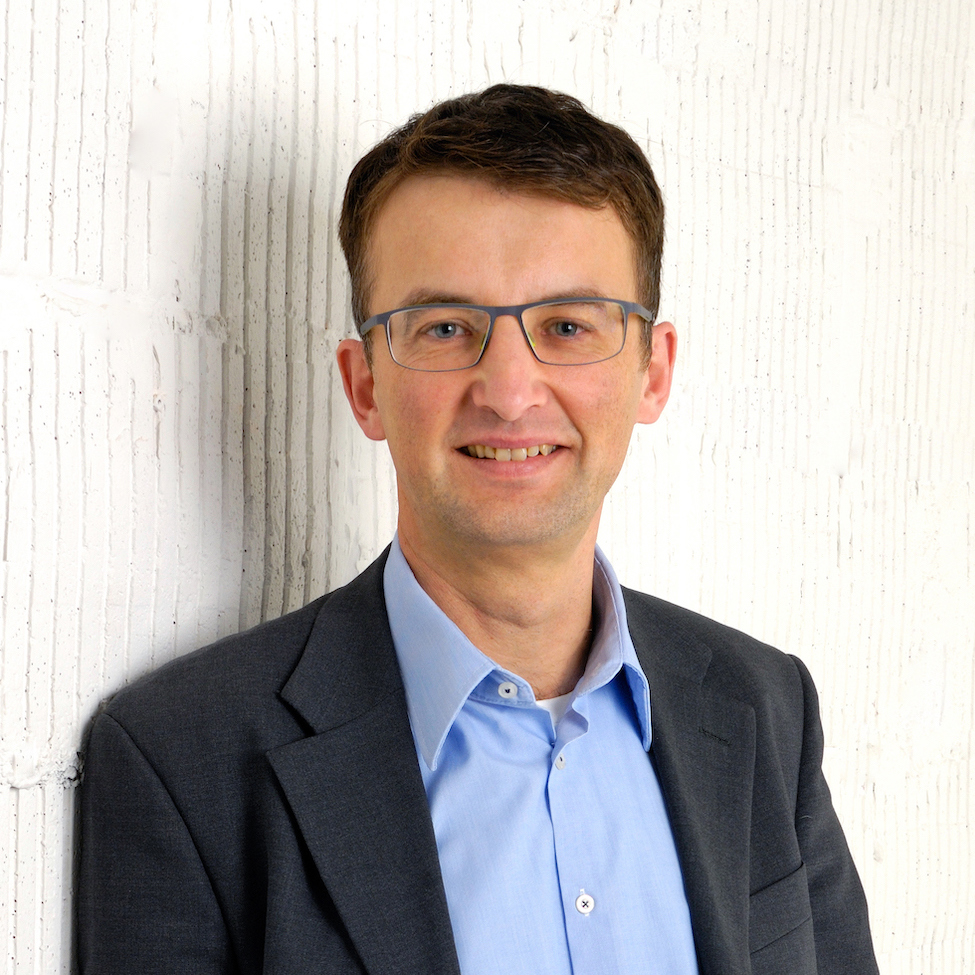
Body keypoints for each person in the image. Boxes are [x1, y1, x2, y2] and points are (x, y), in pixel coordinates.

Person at [77, 85, 879, 974]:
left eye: (566, 326)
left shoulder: (766, 708)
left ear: (652, 373)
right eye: (446, 328)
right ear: (364, 385)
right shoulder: (181, 760)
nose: (508, 391)